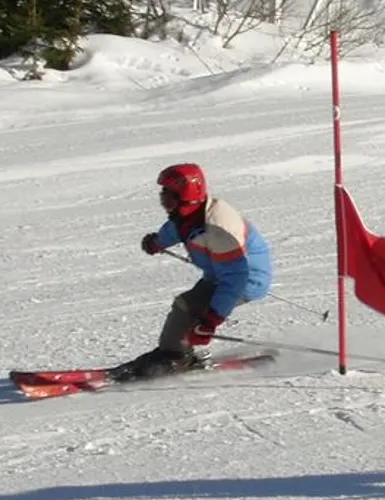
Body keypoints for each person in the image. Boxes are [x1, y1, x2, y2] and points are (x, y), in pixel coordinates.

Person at [111, 163, 274, 381]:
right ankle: (173, 352)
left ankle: (176, 356)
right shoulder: (189, 214)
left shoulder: (219, 228)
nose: (165, 204)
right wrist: (158, 242)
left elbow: (235, 278)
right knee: (186, 307)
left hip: (245, 278)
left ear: (185, 196)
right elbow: (178, 228)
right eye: (163, 197)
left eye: (169, 198)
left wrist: (211, 320)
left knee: (188, 305)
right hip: (219, 274)